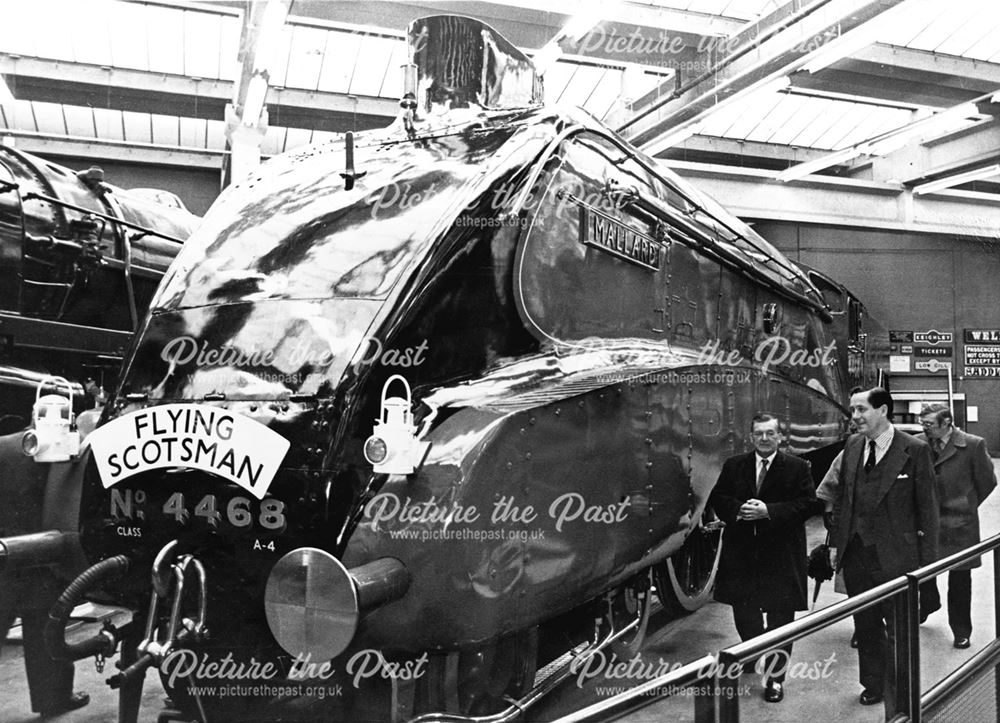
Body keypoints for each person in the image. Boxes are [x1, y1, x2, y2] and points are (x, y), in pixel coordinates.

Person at [817, 387, 938, 717]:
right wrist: (834, 545)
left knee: (899, 630)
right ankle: (872, 684)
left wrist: (927, 568)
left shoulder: (915, 451)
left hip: (898, 558)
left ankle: (900, 690)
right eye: (853, 410)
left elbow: (928, 510)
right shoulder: (853, 445)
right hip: (856, 554)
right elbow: (843, 501)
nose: (854, 417)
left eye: (861, 410)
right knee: (866, 624)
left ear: (883, 410)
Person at [709, 413, 816, 704]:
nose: (765, 438)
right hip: (742, 556)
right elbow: (718, 498)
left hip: (781, 556)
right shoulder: (735, 466)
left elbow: (807, 504)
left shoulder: (798, 467)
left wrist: (768, 511)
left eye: (770, 433)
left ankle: (775, 679)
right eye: (759, 433)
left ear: (780, 437)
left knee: (781, 620)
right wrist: (739, 510)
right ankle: (753, 651)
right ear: (751, 436)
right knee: (745, 615)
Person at [0, 432, 89, 717]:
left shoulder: (5, 446)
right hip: (44, 555)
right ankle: (53, 699)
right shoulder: (71, 449)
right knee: (45, 631)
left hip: (5, 552)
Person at [916, 403, 996, 648]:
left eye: (929, 424)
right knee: (922, 572)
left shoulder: (973, 445)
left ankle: (961, 630)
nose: (924, 428)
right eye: (923, 423)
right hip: (926, 522)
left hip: (960, 524)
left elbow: (987, 481)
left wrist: (966, 503)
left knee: (960, 580)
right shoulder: (917, 444)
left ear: (947, 422)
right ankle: (929, 602)